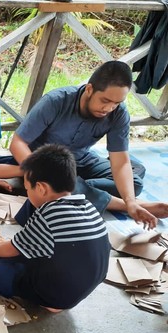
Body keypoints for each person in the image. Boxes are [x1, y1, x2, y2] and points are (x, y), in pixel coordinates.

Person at [9, 60, 168, 229]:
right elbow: (18, 143)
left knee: (135, 182)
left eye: (116, 103)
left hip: (81, 159)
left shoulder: (119, 114)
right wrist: (128, 204)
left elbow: (120, 162)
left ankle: (77, 189)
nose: (109, 108)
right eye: (105, 100)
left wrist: (129, 197)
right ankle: (124, 204)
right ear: (89, 89)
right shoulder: (56, 101)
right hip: (44, 163)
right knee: (62, 183)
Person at [0, 144, 110, 312]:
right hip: (81, 287)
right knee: (27, 246)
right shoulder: (88, 206)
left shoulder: (48, 215)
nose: (27, 193)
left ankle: (45, 299)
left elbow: (10, 251)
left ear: (41, 188)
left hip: (56, 295)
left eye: (28, 188)